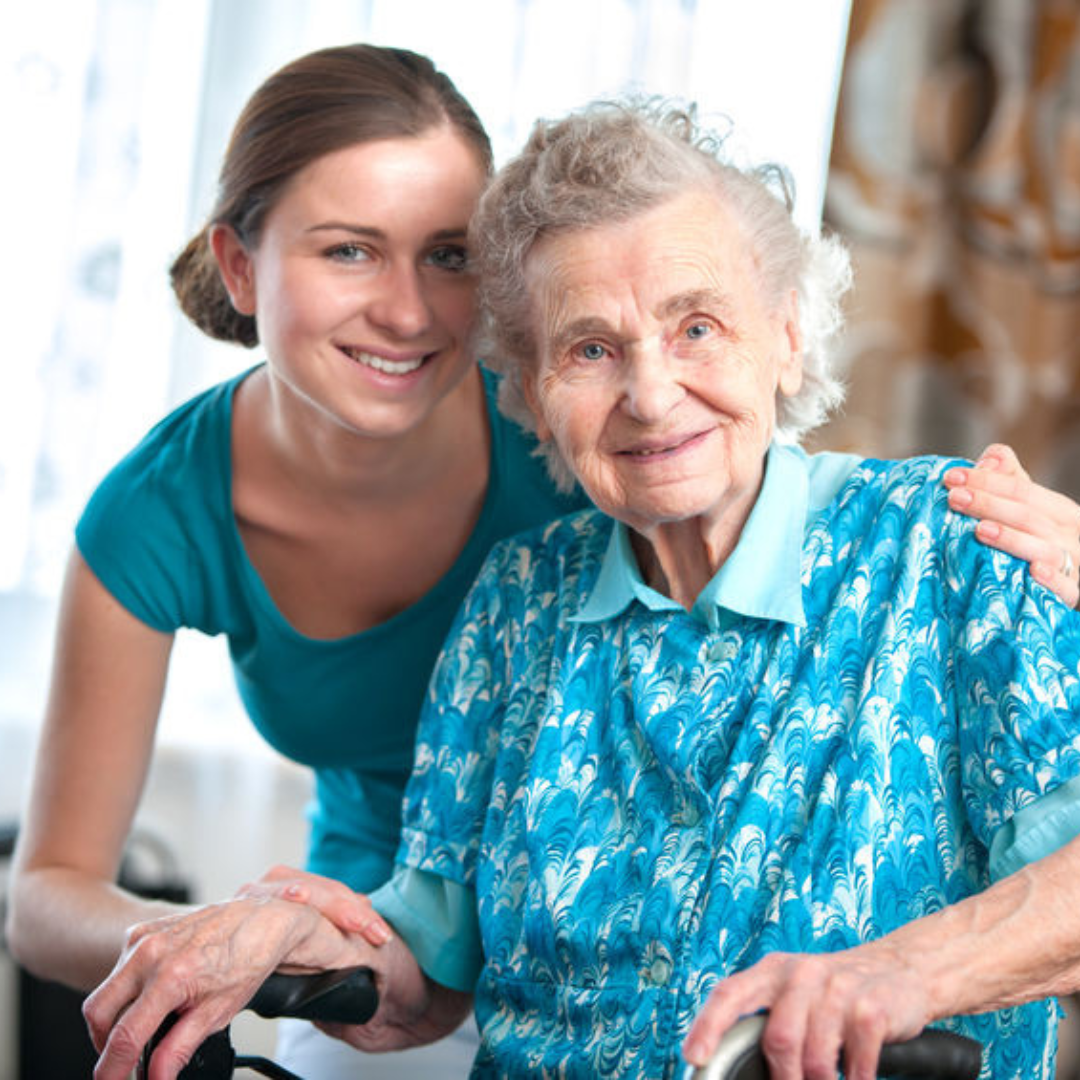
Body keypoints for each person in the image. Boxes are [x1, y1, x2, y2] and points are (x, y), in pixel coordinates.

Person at [11, 45, 1079, 1077]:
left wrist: (899, 975)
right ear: (523, 386)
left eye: (698, 326)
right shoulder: (516, 603)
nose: (652, 395)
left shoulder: (955, 546)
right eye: (590, 349)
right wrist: (259, 933)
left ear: (789, 334)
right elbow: (426, 973)